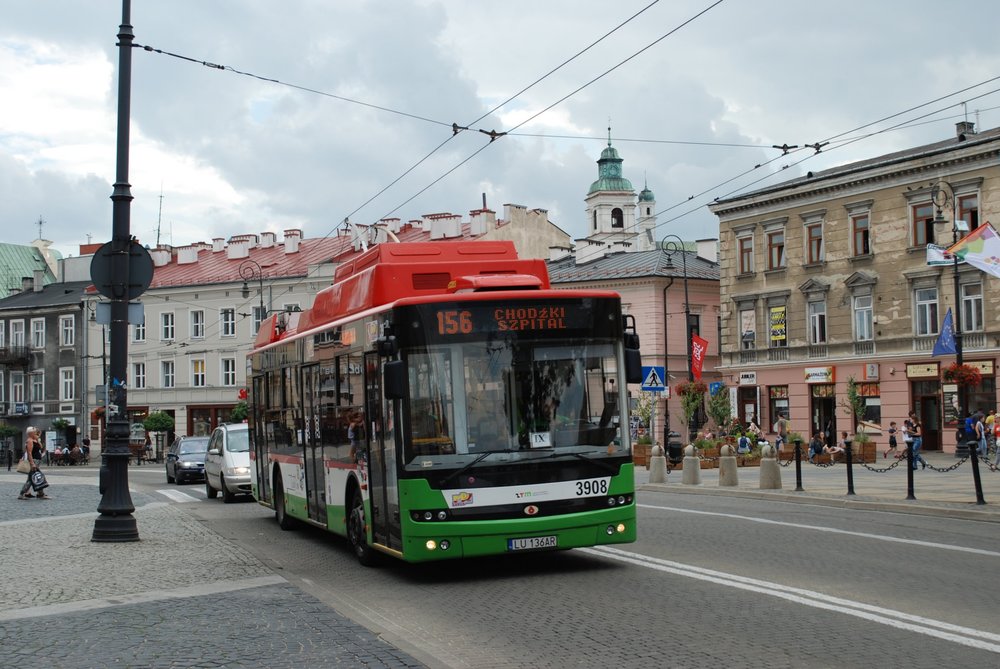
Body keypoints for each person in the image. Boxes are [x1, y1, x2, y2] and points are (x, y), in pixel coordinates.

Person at [18, 427, 51, 500]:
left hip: (37, 461)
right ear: (31, 433)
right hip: (33, 461)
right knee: (32, 478)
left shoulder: (34, 440)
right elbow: (29, 453)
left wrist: (37, 439)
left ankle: (40, 493)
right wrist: (32, 463)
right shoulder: (29, 441)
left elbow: (41, 447)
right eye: (35, 432)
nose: (36, 434)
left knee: (36, 477)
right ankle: (22, 493)